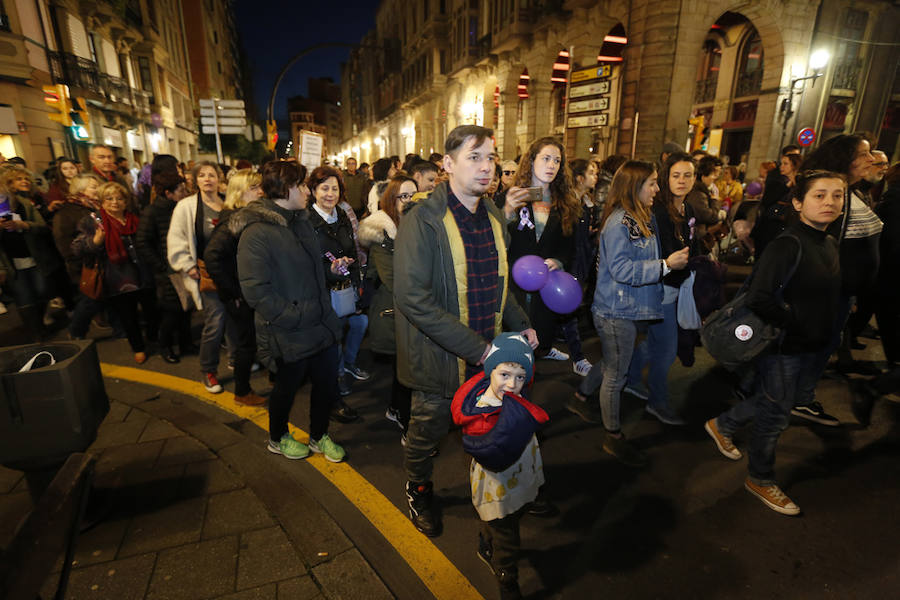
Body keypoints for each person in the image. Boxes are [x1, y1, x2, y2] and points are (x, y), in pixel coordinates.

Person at [394, 124, 535, 537]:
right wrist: (478, 350)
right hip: (440, 356)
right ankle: (418, 488)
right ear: (448, 164)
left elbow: (499, 283)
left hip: (488, 350)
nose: (486, 167)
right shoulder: (424, 220)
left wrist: (521, 325)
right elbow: (412, 298)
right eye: (474, 158)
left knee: (492, 424)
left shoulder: (492, 215)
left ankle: (499, 494)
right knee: (427, 431)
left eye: (490, 157)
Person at [705, 171, 845, 515]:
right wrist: (795, 324)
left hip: (813, 344)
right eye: (819, 195)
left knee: (772, 399)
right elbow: (759, 298)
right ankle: (761, 477)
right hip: (784, 345)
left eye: (837, 196)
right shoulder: (787, 244)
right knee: (776, 415)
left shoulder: (828, 241)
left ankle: (722, 424)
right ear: (798, 203)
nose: (829, 202)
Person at [566, 161, 689, 467]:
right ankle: (613, 436)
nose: (657, 189)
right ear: (635, 186)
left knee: (612, 361)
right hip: (615, 310)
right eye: (652, 183)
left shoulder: (638, 216)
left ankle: (580, 398)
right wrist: (665, 265)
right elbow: (621, 269)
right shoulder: (622, 221)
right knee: (616, 375)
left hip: (625, 307)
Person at [236, 161, 346, 462]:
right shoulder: (256, 232)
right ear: (284, 189)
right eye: (301, 185)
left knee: (325, 384)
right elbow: (255, 290)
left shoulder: (301, 221)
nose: (307, 192)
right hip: (289, 330)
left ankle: (319, 435)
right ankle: (278, 436)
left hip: (319, 322)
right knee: (286, 388)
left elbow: (310, 269)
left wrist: (332, 272)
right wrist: (293, 316)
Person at [451, 332, 548, 600]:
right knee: (508, 534)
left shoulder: (513, 393)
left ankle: (486, 540)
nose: (512, 384)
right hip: (499, 483)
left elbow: (524, 373)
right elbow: (488, 444)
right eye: (504, 374)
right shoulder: (485, 409)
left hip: (518, 471)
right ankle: (506, 574)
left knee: (499, 519)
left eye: (520, 377)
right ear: (489, 371)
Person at [624, 153, 698, 425]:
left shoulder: (687, 208)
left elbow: (690, 243)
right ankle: (658, 402)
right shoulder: (657, 211)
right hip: (660, 287)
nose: (681, 181)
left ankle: (630, 379)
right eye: (676, 175)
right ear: (666, 178)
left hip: (678, 287)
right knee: (666, 349)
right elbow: (657, 252)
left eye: (687, 175)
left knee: (654, 343)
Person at [500, 137, 580, 363]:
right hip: (513, 290)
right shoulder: (513, 196)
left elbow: (569, 247)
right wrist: (506, 211)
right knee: (510, 356)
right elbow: (497, 240)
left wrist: (558, 261)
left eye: (557, 161)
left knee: (534, 350)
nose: (552, 165)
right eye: (546, 158)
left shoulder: (565, 203)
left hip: (546, 289)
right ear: (531, 160)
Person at [71, 182, 158, 362]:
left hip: (142, 272)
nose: (115, 202)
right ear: (102, 201)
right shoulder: (94, 221)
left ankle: (152, 337)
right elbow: (76, 248)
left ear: (126, 201)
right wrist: (94, 242)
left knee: (152, 310)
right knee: (128, 316)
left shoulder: (135, 219)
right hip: (116, 277)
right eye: (109, 198)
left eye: (119, 198)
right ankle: (138, 347)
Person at [168, 161, 235, 393]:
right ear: (194, 180)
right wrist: (187, 265)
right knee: (215, 321)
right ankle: (208, 370)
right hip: (206, 273)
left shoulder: (229, 202)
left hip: (231, 271)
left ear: (220, 179)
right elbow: (176, 238)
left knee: (235, 316)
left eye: (212, 175)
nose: (207, 179)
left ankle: (235, 357)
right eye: (202, 175)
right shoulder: (186, 206)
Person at [359, 175, 417, 437]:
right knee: (407, 370)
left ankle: (395, 408)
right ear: (390, 200)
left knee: (406, 369)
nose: (409, 201)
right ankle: (406, 425)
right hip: (393, 311)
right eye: (403, 196)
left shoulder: (417, 225)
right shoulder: (382, 232)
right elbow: (392, 279)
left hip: (414, 307)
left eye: (413, 195)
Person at [204, 169, 266, 406]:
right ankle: (242, 391)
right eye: (254, 188)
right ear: (240, 192)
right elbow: (212, 256)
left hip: (245, 291)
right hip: (240, 295)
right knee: (246, 345)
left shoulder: (245, 215)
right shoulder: (235, 219)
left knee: (250, 341)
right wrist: (232, 292)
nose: (260, 191)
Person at [307, 166, 365, 422]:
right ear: (312, 190)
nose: (330, 194)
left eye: (334, 188)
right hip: (320, 292)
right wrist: (329, 269)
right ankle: (335, 388)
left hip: (344, 289)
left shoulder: (341, 215)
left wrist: (355, 283)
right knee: (332, 341)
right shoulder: (306, 220)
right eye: (324, 188)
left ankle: (345, 367)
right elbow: (305, 262)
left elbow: (352, 248)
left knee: (359, 322)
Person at [136, 159, 194, 364]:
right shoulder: (152, 212)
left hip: (184, 265)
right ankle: (165, 346)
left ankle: (186, 343)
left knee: (187, 307)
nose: (184, 193)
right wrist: (161, 267)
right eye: (180, 190)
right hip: (167, 270)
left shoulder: (183, 207)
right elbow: (142, 242)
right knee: (172, 311)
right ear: (167, 193)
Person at [0, 168, 63, 340]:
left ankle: (40, 323)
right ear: (9, 183)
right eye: (19, 179)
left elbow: (42, 227)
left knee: (42, 291)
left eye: (26, 178)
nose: (25, 181)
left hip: (34, 258)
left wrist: (24, 226)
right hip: (12, 262)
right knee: (24, 297)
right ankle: (36, 333)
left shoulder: (25, 204)